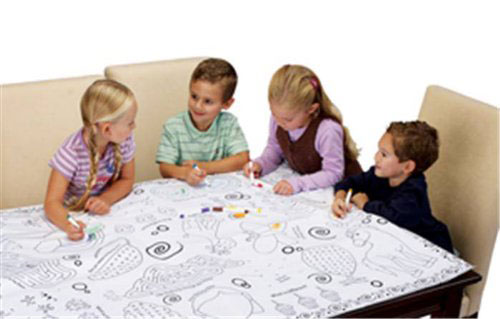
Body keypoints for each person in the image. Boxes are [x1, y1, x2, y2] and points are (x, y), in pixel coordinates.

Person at [332, 121, 453, 253]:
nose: (376, 157)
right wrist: (340, 197)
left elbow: (395, 217)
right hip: (394, 240)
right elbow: (351, 182)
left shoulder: (414, 191)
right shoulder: (379, 173)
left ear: (407, 167)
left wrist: (365, 205)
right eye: (378, 150)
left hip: (429, 244)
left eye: (384, 154)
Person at [243, 64, 361, 195]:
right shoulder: (279, 118)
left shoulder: (327, 130)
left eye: (288, 120)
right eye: (274, 114)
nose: (279, 123)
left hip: (347, 192)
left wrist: (298, 184)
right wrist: (260, 164)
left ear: (311, 109)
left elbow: (333, 173)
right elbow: (275, 149)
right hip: (314, 190)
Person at [44, 79, 138, 241]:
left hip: (107, 215)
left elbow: (127, 179)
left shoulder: (124, 140)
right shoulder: (71, 153)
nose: (134, 126)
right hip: (75, 212)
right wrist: (69, 225)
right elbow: (52, 203)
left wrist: (105, 199)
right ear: (107, 129)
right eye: (130, 123)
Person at [156, 58, 249, 186]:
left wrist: (202, 166)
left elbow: (242, 159)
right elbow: (165, 168)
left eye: (208, 101)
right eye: (194, 97)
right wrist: (185, 173)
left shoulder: (229, 123)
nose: (198, 106)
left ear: (227, 103)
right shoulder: (174, 126)